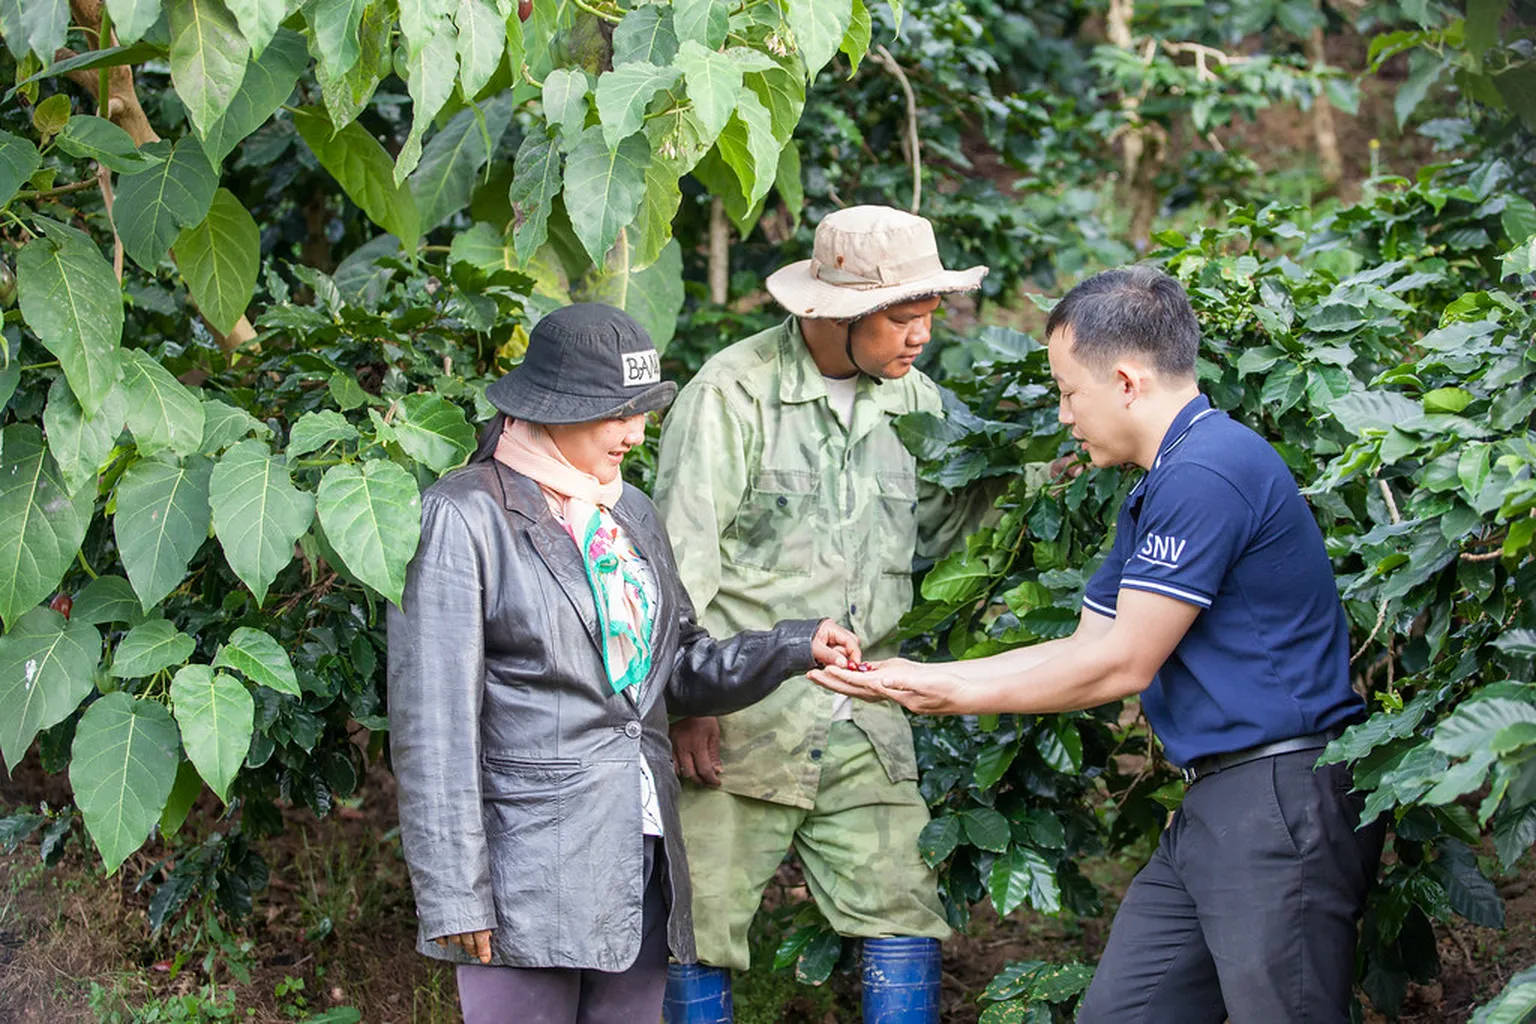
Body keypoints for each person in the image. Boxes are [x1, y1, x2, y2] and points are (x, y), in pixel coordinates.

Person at [813, 266, 1387, 1023]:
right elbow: (1088, 641)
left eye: (1068, 391)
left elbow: (1121, 665)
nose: (1063, 414)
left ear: (1123, 381)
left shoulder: (1210, 471)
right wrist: (923, 677)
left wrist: (950, 694)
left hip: (1277, 797)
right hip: (1221, 799)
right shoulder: (1160, 483)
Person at [386, 303, 862, 1024]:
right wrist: (454, 892)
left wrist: (792, 645)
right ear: (553, 408)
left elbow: (675, 669)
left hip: (638, 853)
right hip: (526, 870)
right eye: (615, 414)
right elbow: (433, 726)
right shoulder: (462, 516)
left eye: (641, 411)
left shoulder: (629, 511)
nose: (635, 433)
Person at [654, 206, 1026, 1024]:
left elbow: (944, 534)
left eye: (928, 317)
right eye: (903, 318)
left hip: (865, 714)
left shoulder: (917, 402)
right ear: (840, 314)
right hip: (742, 716)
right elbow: (679, 563)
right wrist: (688, 703)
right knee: (698, 925)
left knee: (903, 908)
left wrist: (1038, 471)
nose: (921, 337)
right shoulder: (732, 394)